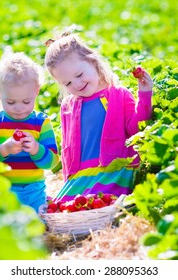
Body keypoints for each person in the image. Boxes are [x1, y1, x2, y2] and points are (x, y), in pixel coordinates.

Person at [44, 32, 153, 203]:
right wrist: (68, 179)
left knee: (99, 203)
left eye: (79, 75)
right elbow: (67, 150)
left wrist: (145, 95)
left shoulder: (117, 95)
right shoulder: (68, 106)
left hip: (113, 170)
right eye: (68, 84)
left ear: (92, 62)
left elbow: (135, 129)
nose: (77, 85)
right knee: (63, 207)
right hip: (81, 176)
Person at [0, 51, 60, 212]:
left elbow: (52, 162)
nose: (19, 108)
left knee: (37, 226)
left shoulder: (41, 123)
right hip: (3, 189)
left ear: (36, 91)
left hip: (34, 191)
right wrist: (4, 149)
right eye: (10, 102)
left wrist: (36, 149)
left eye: (26, 101)